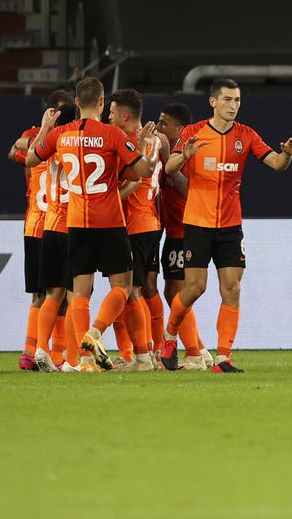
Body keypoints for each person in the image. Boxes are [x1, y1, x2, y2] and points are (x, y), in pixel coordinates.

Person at [159, 78, 292, 373]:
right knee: (195, 288)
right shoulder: (193, 132)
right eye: (227, 99)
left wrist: (287, 154)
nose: (233, 106)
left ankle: (223, 357)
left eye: (237, 100)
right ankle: (169, 335)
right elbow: (170, 168)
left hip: (230, 225)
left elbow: (276, 164)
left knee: (232, 288)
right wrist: (183, 156)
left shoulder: (246, 135)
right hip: (197, 223)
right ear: (212, 102)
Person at [25, 77, 160, 371]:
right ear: (101, 102)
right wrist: (144, 148)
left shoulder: (61, 134)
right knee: (123, 286)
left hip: (74, 223)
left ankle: (85, 360)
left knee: (80, 291)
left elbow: (30, 158)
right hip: (109, 221)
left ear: (76, 102)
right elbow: (142, 171)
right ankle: (94, 334)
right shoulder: (112, 135)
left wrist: (45, 129)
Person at [8, 88, 72, 370]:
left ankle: (38, 352)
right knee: (55, 295)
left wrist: (30, 140)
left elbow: (16, 150)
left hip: (40, 224)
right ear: (49, 111)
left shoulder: (36, 141)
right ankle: (39, 352)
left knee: (50, 295)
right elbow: (15, 150)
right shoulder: (67, 141)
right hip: (51, 223)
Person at [109, 88, 167, 371]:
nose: (108, 117)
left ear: (124, 115)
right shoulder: (154, 140)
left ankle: (140, 355)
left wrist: (106, 197)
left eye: (111, 112)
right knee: (142, 290)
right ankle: (153, 352)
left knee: (128, 290)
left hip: (133, 224)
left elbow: (133, 183)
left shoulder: (131, 142)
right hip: (149, 222)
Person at [157, 102, 212, 370]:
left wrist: (171, 162)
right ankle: (199, 349)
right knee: (173, 292)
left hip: (184, 231)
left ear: (180, 129)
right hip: (172, 231)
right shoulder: (167, 151)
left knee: (179, 292)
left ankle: (194, 353)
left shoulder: (188, 153)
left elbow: (188, 191)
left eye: (164, 123)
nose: (158, 127)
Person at [30, 104, 82, 372]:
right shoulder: (74, 144)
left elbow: (29, 157)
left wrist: (44, 128)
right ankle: (72, 361)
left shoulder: (49, 145)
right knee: (76, 295)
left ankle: (40, 348)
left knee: (53, 294)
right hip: (72, 226)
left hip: (49, 227)